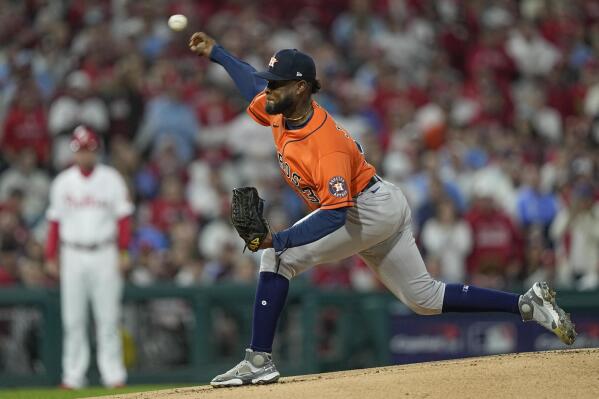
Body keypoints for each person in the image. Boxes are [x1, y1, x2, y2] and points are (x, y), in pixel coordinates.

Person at [188, 32, 576, 388]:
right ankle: (527, 304)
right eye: (270, 82)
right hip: (378, 202)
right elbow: (251, 84)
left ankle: (258, 359)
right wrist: (218, 53)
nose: (269, 89)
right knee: (424, 299)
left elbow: (336, 213)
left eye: (278, 83)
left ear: (302, 87)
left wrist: (281, 238)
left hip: (365, 210)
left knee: (277, 255)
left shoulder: (326, 144)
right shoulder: (278, 107)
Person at [44, 125, 133, 389]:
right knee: (73, 319)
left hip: (105, 252)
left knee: (108, 318)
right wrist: (51, 255)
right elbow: (54, 223)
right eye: (80, 150)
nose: (84, 155)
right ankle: (73, 376)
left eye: (89, 149)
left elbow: (124, 218)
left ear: (97, 150)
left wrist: (124, 250)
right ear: (74, 151)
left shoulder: (111, 178)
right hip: (72, 253)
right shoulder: (63, 182)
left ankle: (113, 375)